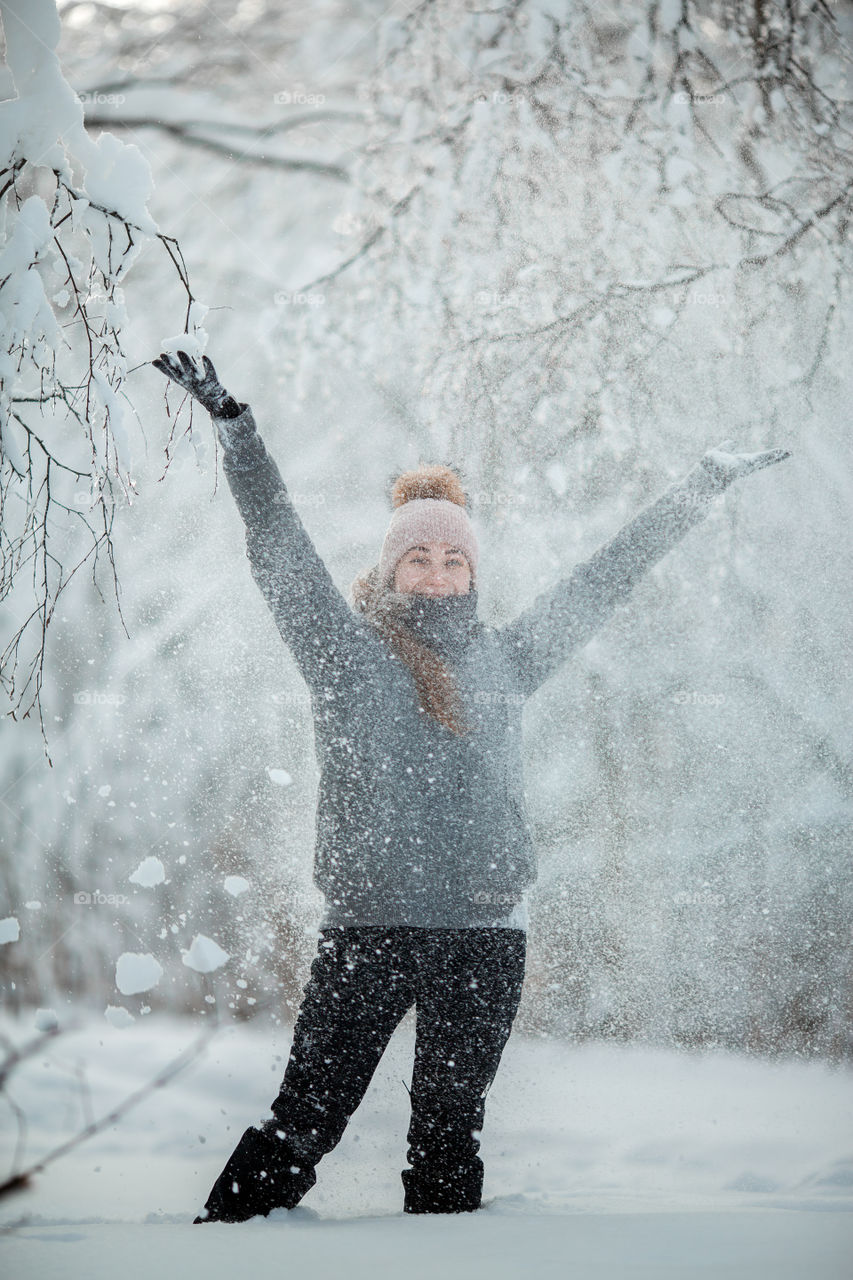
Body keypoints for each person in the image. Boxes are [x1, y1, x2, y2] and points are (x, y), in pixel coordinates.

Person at [152, 351, 792, 1221]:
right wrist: (238, 433)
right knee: (304, 1118)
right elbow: (278, 549)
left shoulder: (507, 661)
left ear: (472, 572)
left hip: (484, 934)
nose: (437, 571)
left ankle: (451, 1265)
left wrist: (698, 487)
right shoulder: (346, 658)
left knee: (450, 1130)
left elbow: (603, 580)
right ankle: (213, 1255)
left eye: (453, 559)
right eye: (416, 557)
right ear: (388, 572)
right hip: (371, 927)